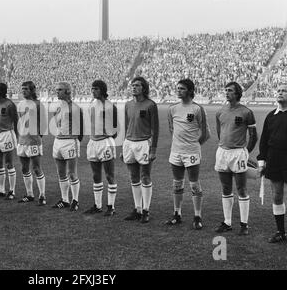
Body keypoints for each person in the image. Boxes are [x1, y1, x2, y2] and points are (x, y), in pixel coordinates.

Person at [214, 82, 257, 235]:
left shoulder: (246, 112)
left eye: (230, 90)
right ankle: (227, 222)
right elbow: (220, 133)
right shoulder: (220, 112)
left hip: (238, 153)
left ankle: (244, 225)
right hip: (222, 152)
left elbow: (253, 136)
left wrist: (245, 152)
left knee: (241, 188)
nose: (227, 93)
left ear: (238, 93)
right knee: (226, 188)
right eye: (225, 90)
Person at [166, 79, 209, 229]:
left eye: (182, 88)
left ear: (190, 91)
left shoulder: (197, 109)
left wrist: (193, 145)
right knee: (177, 184)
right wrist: (179, 144)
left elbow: (205, 134)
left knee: (194, 185)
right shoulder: (172, 109)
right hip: (176, 152)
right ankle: (177, 214)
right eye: (177, 88)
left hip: (191, 152)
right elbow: (172, 129)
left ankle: (197, 216)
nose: (178, 91)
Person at [257, 84, 287, 245]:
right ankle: (280, 232)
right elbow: (264, 141)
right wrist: (261, 162)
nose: (280, 93)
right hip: (274, 160)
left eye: (284, 91)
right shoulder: (271, 115)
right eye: (278, 91)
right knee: (277, 195)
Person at [122, 77, 159, 223]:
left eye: (137, 85)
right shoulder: (128, 105)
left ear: (143, 88)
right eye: (132, 85)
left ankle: (146, 210)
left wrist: (153, 150)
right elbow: (126, 126)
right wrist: (124, 145)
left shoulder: (151, 105)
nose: (133, 87)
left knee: (145, 176)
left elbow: (155, 129)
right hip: (129, 143)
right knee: (133, 177)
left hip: (144, 143)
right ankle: (137, 208)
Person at [83, 80, 118, 216]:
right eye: (92, 89)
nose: (93, 91)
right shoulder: (91, 104)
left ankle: (111, 207)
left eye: (96, 89)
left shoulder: (110, 106)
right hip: (92, 143)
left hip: (105, 143)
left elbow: (115, 129)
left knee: (109, 176)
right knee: (95, 175)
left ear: (103, 90)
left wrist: (106, 137)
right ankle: (97, 206)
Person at [51, 81, 84, 211]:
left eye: (60, 89)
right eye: (57, 89)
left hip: (70, 142)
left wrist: (75, 141)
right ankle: (64, 199)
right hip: (57, 141)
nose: (57, 91)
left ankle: (75, 200)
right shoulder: (57, 107)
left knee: (72, 173)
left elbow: (81, 130)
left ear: (67, 92)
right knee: (61, 173)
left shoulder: (75, 108)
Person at [16, 81, 47, 205]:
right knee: (24, 168)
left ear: (32, 90)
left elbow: (43, 124)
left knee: (36, 168)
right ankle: (29, 194)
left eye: (26, 89)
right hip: (22, 140)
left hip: (33, 141)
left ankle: (42, 195)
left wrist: (36, 137)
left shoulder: (38, 104)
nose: (23, 91)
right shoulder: (20, 104)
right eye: (22, 89)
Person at [0, 82, 18, 200]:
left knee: (9, 163)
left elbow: (16, 121)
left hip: (7, 134)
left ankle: (12, 190)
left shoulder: (9, 104)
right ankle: (1, 189)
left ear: (1, 91)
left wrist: (16, 136)